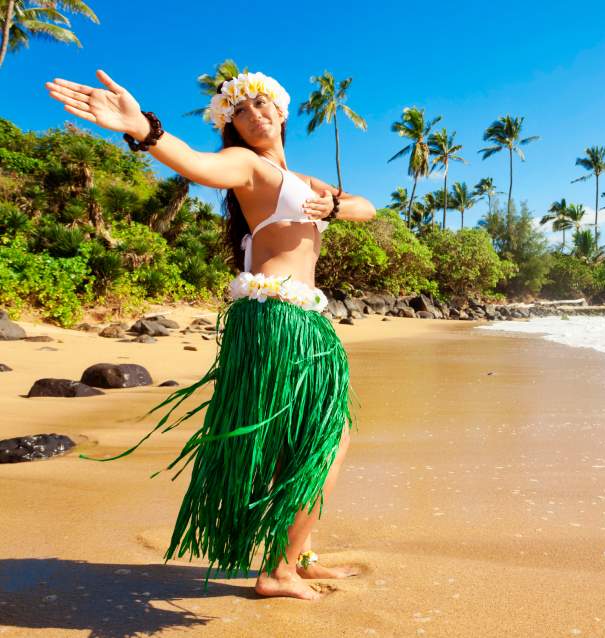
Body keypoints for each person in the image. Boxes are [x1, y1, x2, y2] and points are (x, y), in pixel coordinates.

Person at [45, 69, 376, 601]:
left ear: (283, 112)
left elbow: (367, 206)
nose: (255, 114)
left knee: (301, 443)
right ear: (232, 126)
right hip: (279, 321)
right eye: (240, 111)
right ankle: (280, 570)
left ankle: (297, 555)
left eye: (263, 104)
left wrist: (337, 206)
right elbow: (198, 166)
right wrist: (145, 130)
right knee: (324, 442)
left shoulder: (302, 181)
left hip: (298, 321)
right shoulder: (246, 166)